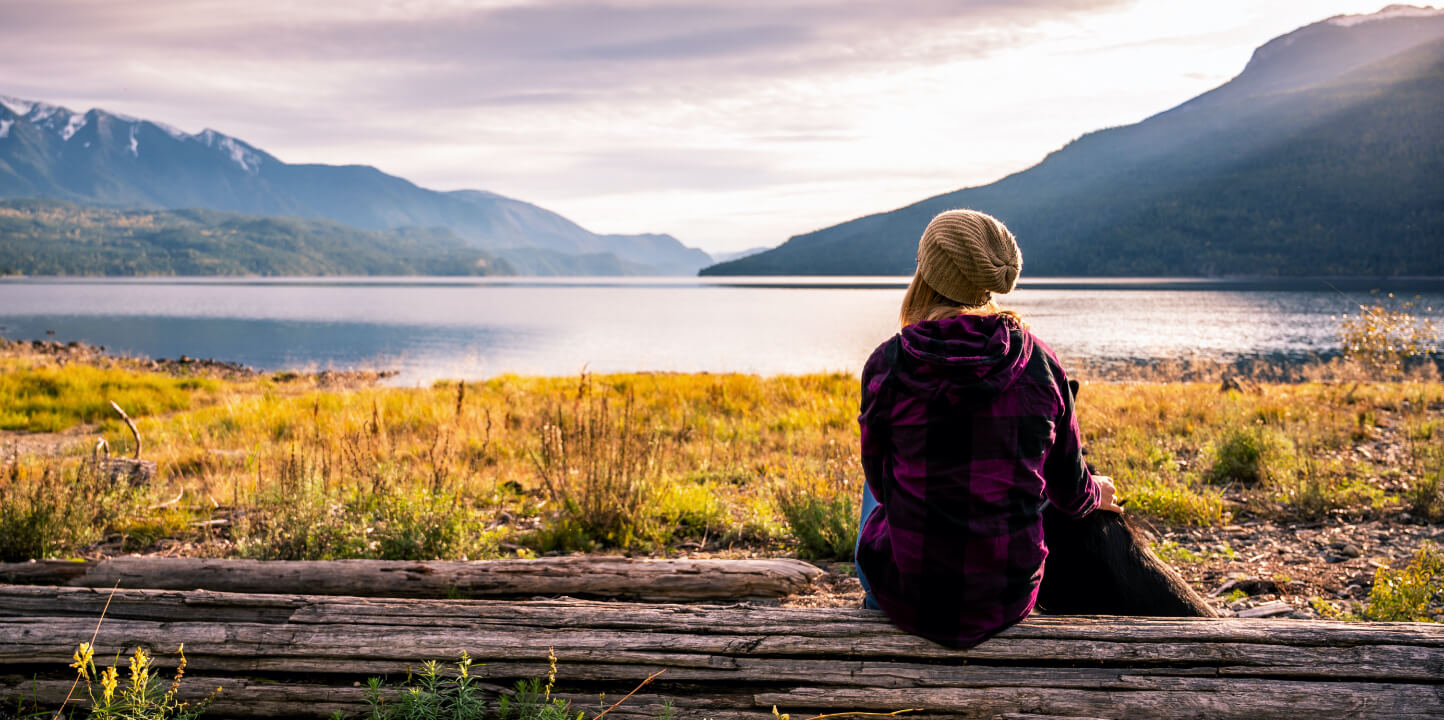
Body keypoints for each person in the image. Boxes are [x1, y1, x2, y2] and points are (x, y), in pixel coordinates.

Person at [853, 208, 1123, 649]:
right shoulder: (1041, 362)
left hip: (909, 597)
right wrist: (1096, 492)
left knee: (879, 482)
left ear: (927, 272)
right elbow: (1070, 496)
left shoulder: (886, 364)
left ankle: (874, 616)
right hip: (1007, 597)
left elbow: (882, 488)